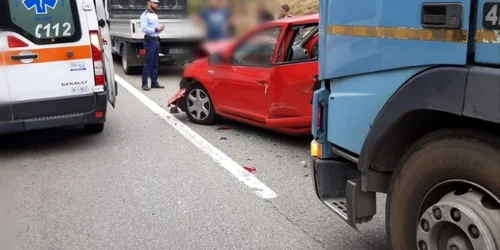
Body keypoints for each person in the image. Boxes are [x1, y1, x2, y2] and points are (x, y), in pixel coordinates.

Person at [140, 0, 165, 91]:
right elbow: (144, 29)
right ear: (149, 3)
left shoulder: (154, 14)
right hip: (150, 41)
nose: (157, 4)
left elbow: (154, 29)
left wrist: (159, 29)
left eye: (157, 3)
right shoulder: (145, 15)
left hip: (156, 40)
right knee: (149, 63)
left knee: (155, 63)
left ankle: (154, 82)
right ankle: (144, 83)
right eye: (155, 3)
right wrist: (156, 29)